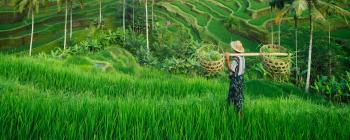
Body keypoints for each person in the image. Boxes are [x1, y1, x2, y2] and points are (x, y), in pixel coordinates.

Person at [224, 41, 246, 115]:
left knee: (236, 96)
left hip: (235, 80)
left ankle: (239, 115)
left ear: (234, 49)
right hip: (241, 79)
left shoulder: (236, 59)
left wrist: (227, 59)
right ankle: (228, 111)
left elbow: (230, 69)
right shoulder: (242, 57)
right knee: (235, 94)